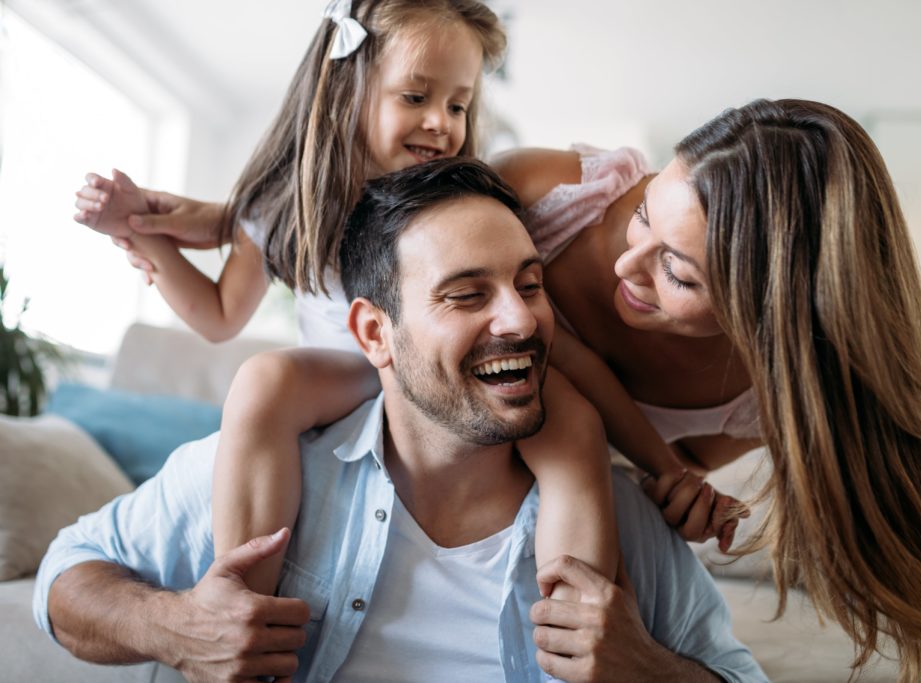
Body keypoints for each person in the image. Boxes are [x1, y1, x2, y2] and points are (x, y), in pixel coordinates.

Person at [87, 98, 921, 682]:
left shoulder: (756, 397)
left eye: (679, 275)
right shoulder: (556, 189)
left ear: (764, 314)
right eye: (645, 211)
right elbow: (411, 212)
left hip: (548, 450)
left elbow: (642, 486)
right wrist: (217, 218)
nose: (628, 267)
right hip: (408, 384)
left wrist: (668, 490)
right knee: (266, 378)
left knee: (572, 444)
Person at [73, 0, 730, 606]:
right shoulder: (282, 207)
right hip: (351, 375)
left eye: (459, 105)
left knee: (574, 421)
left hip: (448, 381)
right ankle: (241, 606)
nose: (441, 123)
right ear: (346, 90)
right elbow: (218, 315)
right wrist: (146, 239)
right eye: (417, 96)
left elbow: (573, 359)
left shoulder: (466, 205)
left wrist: (665, 466)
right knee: (265, 379)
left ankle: (576, 628)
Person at [38, 158, 768, 683]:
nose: (521, 317)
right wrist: (173, 627)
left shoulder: (618, 527)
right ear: (374, 333)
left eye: (530, 283)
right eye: (465, 294)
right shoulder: (270, 466)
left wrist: (649, 673)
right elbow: (64, 578)